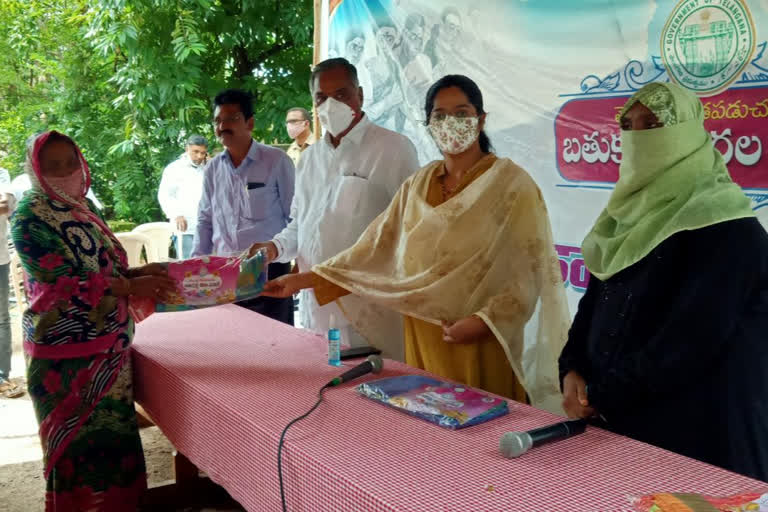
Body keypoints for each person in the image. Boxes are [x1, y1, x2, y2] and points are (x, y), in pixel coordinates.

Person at [260, 75, 569, 411]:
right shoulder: (419, 184)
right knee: (430, 430)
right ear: (429, 125)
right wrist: (301, 281)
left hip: (482, 338)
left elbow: (527, 272)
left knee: (484, 436)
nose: (450, 124)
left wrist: (484, 322)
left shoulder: (511, 185)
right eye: (440, 116)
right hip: (423, 332)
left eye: (461, 113)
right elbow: (373, 248)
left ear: (480, 119)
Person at [558, 82, 768, 481]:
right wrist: (572, 370)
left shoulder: (728, 231)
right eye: (630, 125)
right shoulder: (623, 221)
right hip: (623, 429)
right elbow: (593, 307)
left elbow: (689, 343)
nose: (639, 137)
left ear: (688, 134)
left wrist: (599, 395)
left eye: (654, 125)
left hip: (699, 443)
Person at [11, 131, 176, 510]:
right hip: (65, 357)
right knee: (75, 453)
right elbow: (64, 283)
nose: (65, 171)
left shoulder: (85, 207)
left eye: (70, 162)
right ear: (35, 169)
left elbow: (106, 268)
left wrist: (138, 273)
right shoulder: (29, 216)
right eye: (53, 166)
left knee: (116, 445)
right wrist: (129, 284)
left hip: (110, 350)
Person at [249, 58, 419, 358]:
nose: (331, 105)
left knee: (377, 396)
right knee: (327, 391)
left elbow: (405, 238)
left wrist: (311, 279)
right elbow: (301, 225)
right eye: (321, 98)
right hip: (317, 311)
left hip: (370, 312)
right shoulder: (310, 158)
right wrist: (274, 248)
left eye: (341, 95)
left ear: (360, 96)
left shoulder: (394, 149)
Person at [194, 89, 295, 325]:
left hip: (270, 271)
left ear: (250, 123)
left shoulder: (277, 161)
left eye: (231, 119)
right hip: (224, 273)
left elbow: (296, 217)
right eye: (218, 120)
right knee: (231, 344)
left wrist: (300, 263)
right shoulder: (212, 169)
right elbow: (205, 220)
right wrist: (198, 264)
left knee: (277, 345)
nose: (222, 126)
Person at [158, 134, 208, 259]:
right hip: (184, 226)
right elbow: (164, 195)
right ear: (187, 149)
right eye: (195, 152)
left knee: (207, 267)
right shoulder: (174, 169)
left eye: (203, 153)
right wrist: (176, 214)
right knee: (188, 266)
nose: (199, 156)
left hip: (205, 227)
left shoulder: (208, 168)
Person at [0, 167, 20, 398]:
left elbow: (4, 206)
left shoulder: (1, 174)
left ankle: (2, 376)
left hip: (0, 260)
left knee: (2, 319)